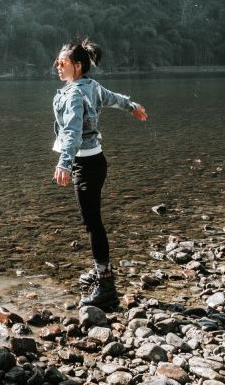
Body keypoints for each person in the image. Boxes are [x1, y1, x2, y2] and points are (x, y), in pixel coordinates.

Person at [52, 38, 147, 308]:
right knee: (93, 221)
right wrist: (132, 106)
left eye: (63, 62)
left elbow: (72, 132)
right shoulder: (89, 86)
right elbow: (113, 98)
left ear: (78, 65)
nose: (58, 66)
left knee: (93, 225)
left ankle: (106, 286)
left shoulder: (73, 95)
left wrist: (64, 163)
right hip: (97, 162)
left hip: (85, 165)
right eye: (56, 62)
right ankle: (100, 271)